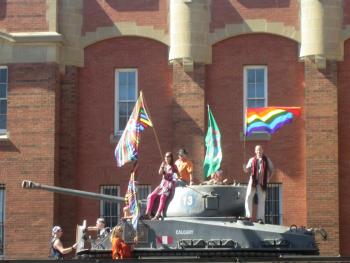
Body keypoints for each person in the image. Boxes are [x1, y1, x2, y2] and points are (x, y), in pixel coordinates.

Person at [243, 145, 274, 223]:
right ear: (255, 151)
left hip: (262, 182)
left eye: (260, 150)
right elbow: (246, 170)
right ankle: (248, 216)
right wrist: (245, 168)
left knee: (261, 200)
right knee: (248, 197)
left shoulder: (267, 160)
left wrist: (268, 179)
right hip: (253, 181)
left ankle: (260, 218)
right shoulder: (252, 160)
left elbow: (272, 170)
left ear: (262, 150)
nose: (259, 151)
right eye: (257, 150)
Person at [145, 152, 178, 220]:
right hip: (162, 184)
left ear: (171, 158)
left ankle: (157, 214)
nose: (167, 158)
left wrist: (171, 175)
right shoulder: (164, 165)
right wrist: (162, 167)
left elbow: (177, 176)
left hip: (169, 185)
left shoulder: (174, 166)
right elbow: (160, 172)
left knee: (163, 197)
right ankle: (147, 213)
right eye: (166, 157)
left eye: (168, 156)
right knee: (151, 195)